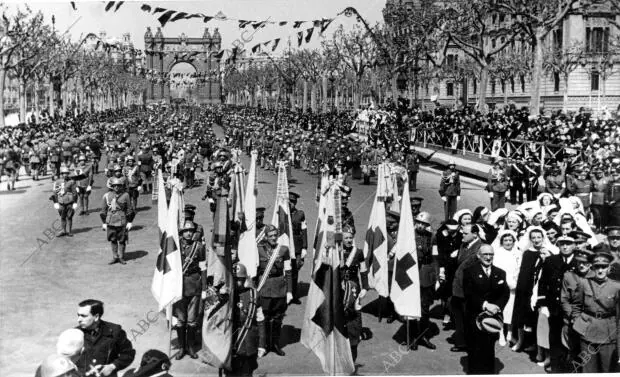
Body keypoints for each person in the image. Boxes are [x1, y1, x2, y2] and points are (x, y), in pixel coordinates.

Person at [463, 244, 509, 374]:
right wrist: (485, 305)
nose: (488, 257)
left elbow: (504, 293)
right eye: (485, 254)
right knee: (475, 347)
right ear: (479, 256)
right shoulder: (469, 271)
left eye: (491, 255)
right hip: (475, 316)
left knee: (489, 347)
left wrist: (497, 307)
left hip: (493, 317)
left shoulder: (500, 273)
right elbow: (468, 293)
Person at [571, 250, 620, 373]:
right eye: (597, 266)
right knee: (588, 369)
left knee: (608, 369)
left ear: (609, 268)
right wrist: (578, 322)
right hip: (587, 331)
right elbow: (576, 305)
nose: (600, 270)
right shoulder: (584, 283)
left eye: (604, 267)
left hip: (608, 333)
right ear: (592, 267)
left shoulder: (616, 287)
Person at [536, 235, 578, 372]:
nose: (565, 247)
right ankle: (556, 369)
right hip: (554, 308)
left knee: (572, 340)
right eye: (562, 244)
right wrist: (543, 304)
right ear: (558, 246)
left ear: (574, 245)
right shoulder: (550, 260)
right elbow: (542, 283)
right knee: (554, 339)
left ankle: (571, 369)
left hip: (573, 309)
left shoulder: (579, 262)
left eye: (568, 243)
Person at [173, 220, 207, 360]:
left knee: (192, 320)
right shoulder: (175, 247)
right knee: (181, 320)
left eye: (191, 231)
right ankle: (181, 348)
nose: (188, 233)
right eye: (186, 231)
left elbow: (203, 268)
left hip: (194, 285)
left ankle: (191, 347)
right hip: (179, 286)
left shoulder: (199, 247)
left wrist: (204, 287)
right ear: (181, 232)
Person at [257, 225, 292, 358]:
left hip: (279, 288)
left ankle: (275, 344)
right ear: (265, 237)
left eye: (275, 235)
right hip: (264, 287)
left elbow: (288, 271)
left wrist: (289, 291)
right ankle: (264, 344)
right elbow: (254, 271)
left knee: (278, 318)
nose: (273, 238)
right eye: (270, 236)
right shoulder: (258, 249)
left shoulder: (283, 250)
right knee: (264, 317)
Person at [75, 299, 135, 377]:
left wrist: (112, 366)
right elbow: (67, 360)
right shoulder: (75, 334)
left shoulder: (114, 332)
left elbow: (128, 354)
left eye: (83, 316)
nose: (79, 320)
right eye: (78, 315)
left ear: (96, 317)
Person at [450, 224, 483, 353]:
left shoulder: (480, 248)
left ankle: (471, 344)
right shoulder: (464, 244)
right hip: (459, 287)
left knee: (469, 318)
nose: (462, 235)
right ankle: (462, 342)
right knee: (460, 317)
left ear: (475, 234)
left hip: (469, 289)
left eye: (465, 233)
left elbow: (466, 267)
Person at [560, 248, 594, 372]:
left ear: (591, 263)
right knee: (571, 353)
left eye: (585, 262)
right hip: (571, 320)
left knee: (588, 356)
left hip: (590, 321)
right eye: (579, 262)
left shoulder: (596, 277)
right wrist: (573, 317)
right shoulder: (569, 276)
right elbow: (564, 300)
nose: (581, 265)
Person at [409, 211, 437, 350]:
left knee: (425, 308)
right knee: (412, 308)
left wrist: (437, 275)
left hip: (426, 273)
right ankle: (413, 337)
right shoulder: (408, 235)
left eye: (424, 224)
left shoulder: (432, 237)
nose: (420, 225)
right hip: (412, 273)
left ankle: (424, 336)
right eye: (418, 222)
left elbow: (435, 257)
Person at [229, 263, 263, 377]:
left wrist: (262, 344)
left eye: (239, 279)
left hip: (249, 340)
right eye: (234, 279)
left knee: (247, 373)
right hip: (232, 341)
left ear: (245, 279)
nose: (236, 282)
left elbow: (260, 321)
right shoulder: (227, 295)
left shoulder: (253, 295)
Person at [100, 177, 135, 265]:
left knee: (122, 240)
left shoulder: (126, 195)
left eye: (119, 186)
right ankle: (115, 257)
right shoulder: (107, 196)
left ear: (121, 186)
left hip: (122, 221)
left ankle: (121, 257)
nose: (117, 188)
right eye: (115, 186)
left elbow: (129, 209)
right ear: (112, 186)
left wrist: (130, 221)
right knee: (113, 239)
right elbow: (103, 210)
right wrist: (104, 223)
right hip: (111, 221)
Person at [289, 192, 307, 305]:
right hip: (286, 244)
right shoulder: (281, 212)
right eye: (290, 201)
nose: (291, 203)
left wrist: (304, 247)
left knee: (295, 270)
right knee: (285, 270)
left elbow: (304, 231)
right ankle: (285, 294)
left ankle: (293, 295)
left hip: (296, 245)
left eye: (293, 202)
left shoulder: (300, 214)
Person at [50, 166, 78, 237]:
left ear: (68, 174)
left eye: (66, 173)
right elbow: (55, 192)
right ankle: (63, 231)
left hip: (69, 202)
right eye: (64, 173)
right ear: (61, 174)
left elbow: (75, 193)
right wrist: (55, 202)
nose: (65, 175)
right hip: (61, 202)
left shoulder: (72, 182)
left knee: (69, 217)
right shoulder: (58, 182)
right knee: (62, 217)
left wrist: (75, 202)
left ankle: (69, 231)